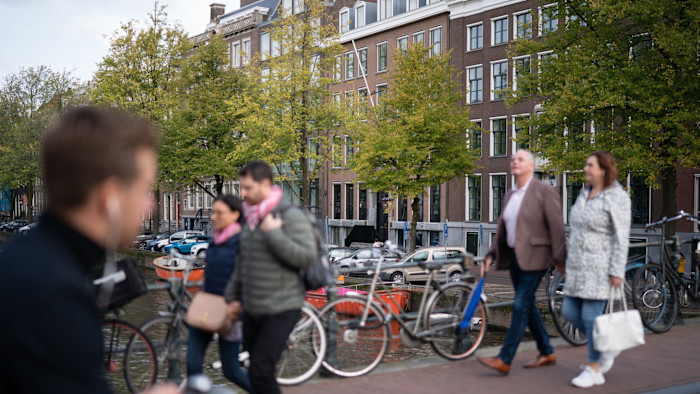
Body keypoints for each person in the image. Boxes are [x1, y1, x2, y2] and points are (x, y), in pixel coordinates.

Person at [0, 108, 177, 393]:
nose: (150, 206)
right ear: (111, 199)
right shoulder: (55, 297)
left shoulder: (28, 259)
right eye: (144, 190)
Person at [224, 161, 316, 394]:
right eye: (241, 188)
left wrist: (274, 234)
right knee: (253, 368)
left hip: (282, 306)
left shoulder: (290, 216)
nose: (242, 194)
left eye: (247, 188)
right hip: (254, 307)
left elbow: (306, 257)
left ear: (265, 184)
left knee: (260, 370)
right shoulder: (249, 218)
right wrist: (232, 297)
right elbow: (243, 262)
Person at [478, 149, 566, 375]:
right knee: (527, 304)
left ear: (531, 166)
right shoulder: (510, 194)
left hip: (538, 257)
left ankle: (504, 358)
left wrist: (560, 259)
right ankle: (547, 351)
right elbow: (503, 231)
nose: (514, 161)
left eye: (520, 159)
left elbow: (556, 227)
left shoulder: (544, 191)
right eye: (512, 159)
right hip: (515, 257)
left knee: (518, 304)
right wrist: (491, 255)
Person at [562, 151, 631, 388]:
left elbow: (621, 237)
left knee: (591, 317)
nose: (585, 168)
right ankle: (607, 345)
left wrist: (616, 271)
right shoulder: (584, 193)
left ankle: (594, 369)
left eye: (589, 165)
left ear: (603, 169)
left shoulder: (617, 197)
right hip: (577, 268)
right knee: (569, 313)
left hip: (600, 267)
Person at [186, 195, 252, 393]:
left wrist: (239, 304)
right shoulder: (216, 241)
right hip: (208, 309)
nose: (214, 217)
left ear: (235, 214)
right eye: (213, 212)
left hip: (231, 313)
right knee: (192, 365)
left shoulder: (244, 243)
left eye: (219, 212)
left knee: (231, 369)